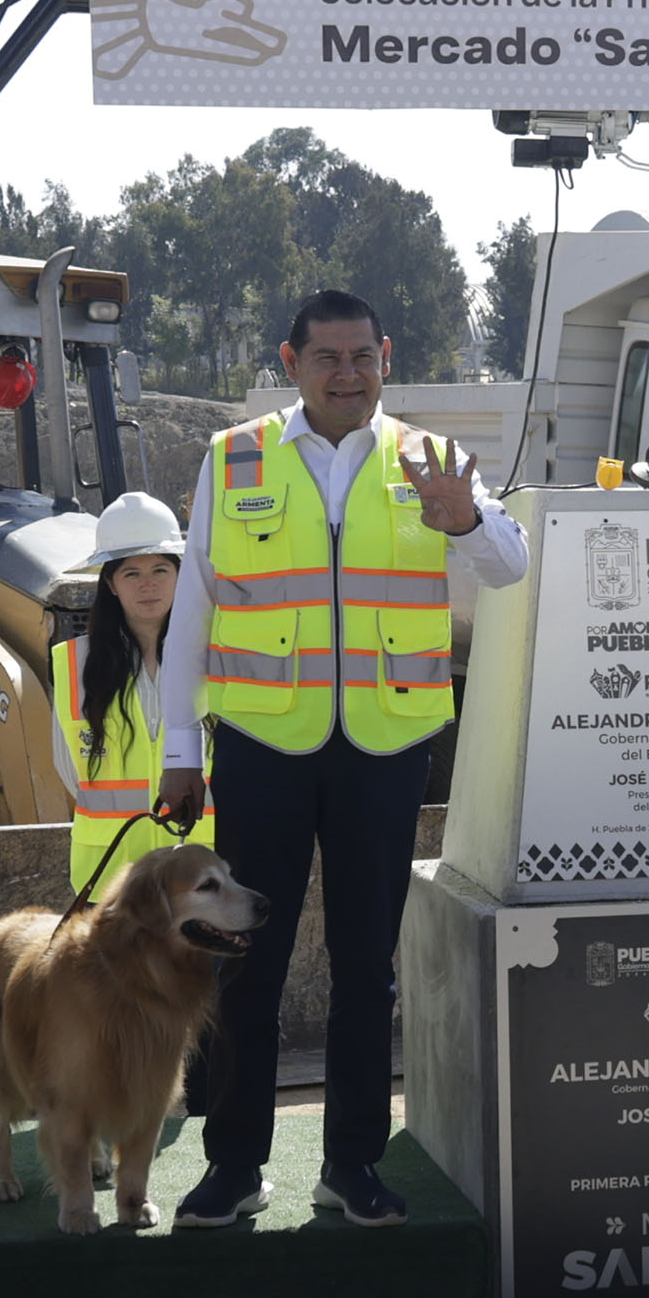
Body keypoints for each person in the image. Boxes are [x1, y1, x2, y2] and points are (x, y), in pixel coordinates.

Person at [156, 290, 528, 1229]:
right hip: (262, 743)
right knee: (246, 962)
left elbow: (512, 567)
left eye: (364, 355)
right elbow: (193, 608)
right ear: (292, 362)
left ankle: (352, 1165)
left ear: (386, 356)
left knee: (368, 967)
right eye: (328, 357)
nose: (349, 373)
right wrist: (177, 747)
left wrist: (464, 522)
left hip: (384, 747)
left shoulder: (428, 461)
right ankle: (233, 1167)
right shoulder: (233, 456)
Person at [52, 492, 214, 896]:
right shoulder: (75, 664)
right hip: (110, 879)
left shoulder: (216, 655)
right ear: (110, 583)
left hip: (203, 872)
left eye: (161, 570)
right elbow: (67, 768)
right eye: (131, 574)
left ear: (181, 575)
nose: (148, 586)